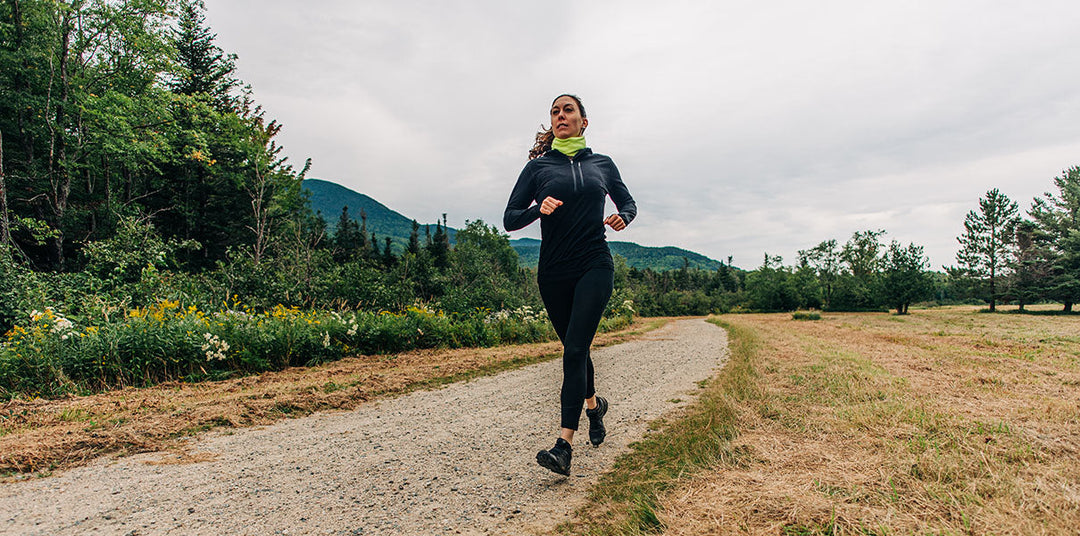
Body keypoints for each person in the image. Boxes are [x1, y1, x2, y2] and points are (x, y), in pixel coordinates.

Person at [503, 94, 637, 476]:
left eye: (568, 110)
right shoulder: (537, 168)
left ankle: (564, 446)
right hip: (554, 271)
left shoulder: (602, 165)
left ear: (583, 121)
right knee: (575, 350)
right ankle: (594, 407)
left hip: (595, 263)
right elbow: (510, 218)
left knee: (575, 349)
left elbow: (628, 203)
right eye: (555, 111)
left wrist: (623, 217)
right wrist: (537, 209)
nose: (561, 115)